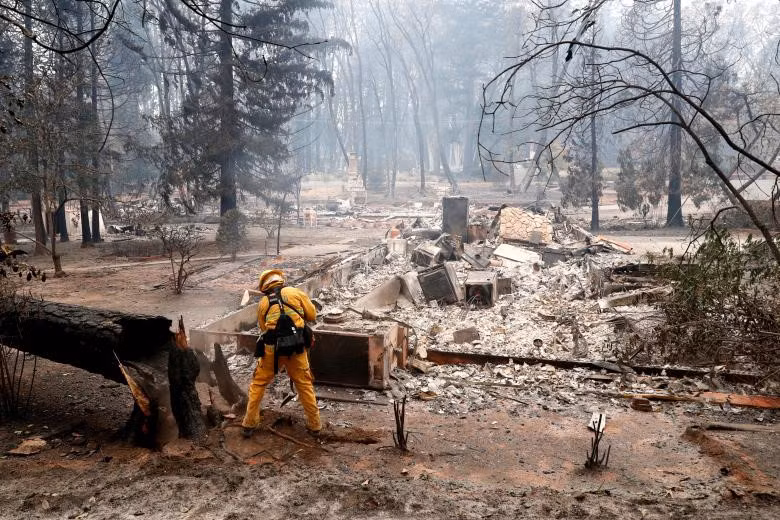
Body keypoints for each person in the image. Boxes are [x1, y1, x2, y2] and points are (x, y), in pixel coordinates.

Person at [241, 269, 322, 438]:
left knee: (258, 384)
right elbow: (312, 314)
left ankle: (249, 424)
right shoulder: (295, 292)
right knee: (305, 385)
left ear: (265, 286)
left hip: (272, 351)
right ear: (281, 281)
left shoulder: (263, 303)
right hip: (296, 349)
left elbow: (263, 328)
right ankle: (315, 426)